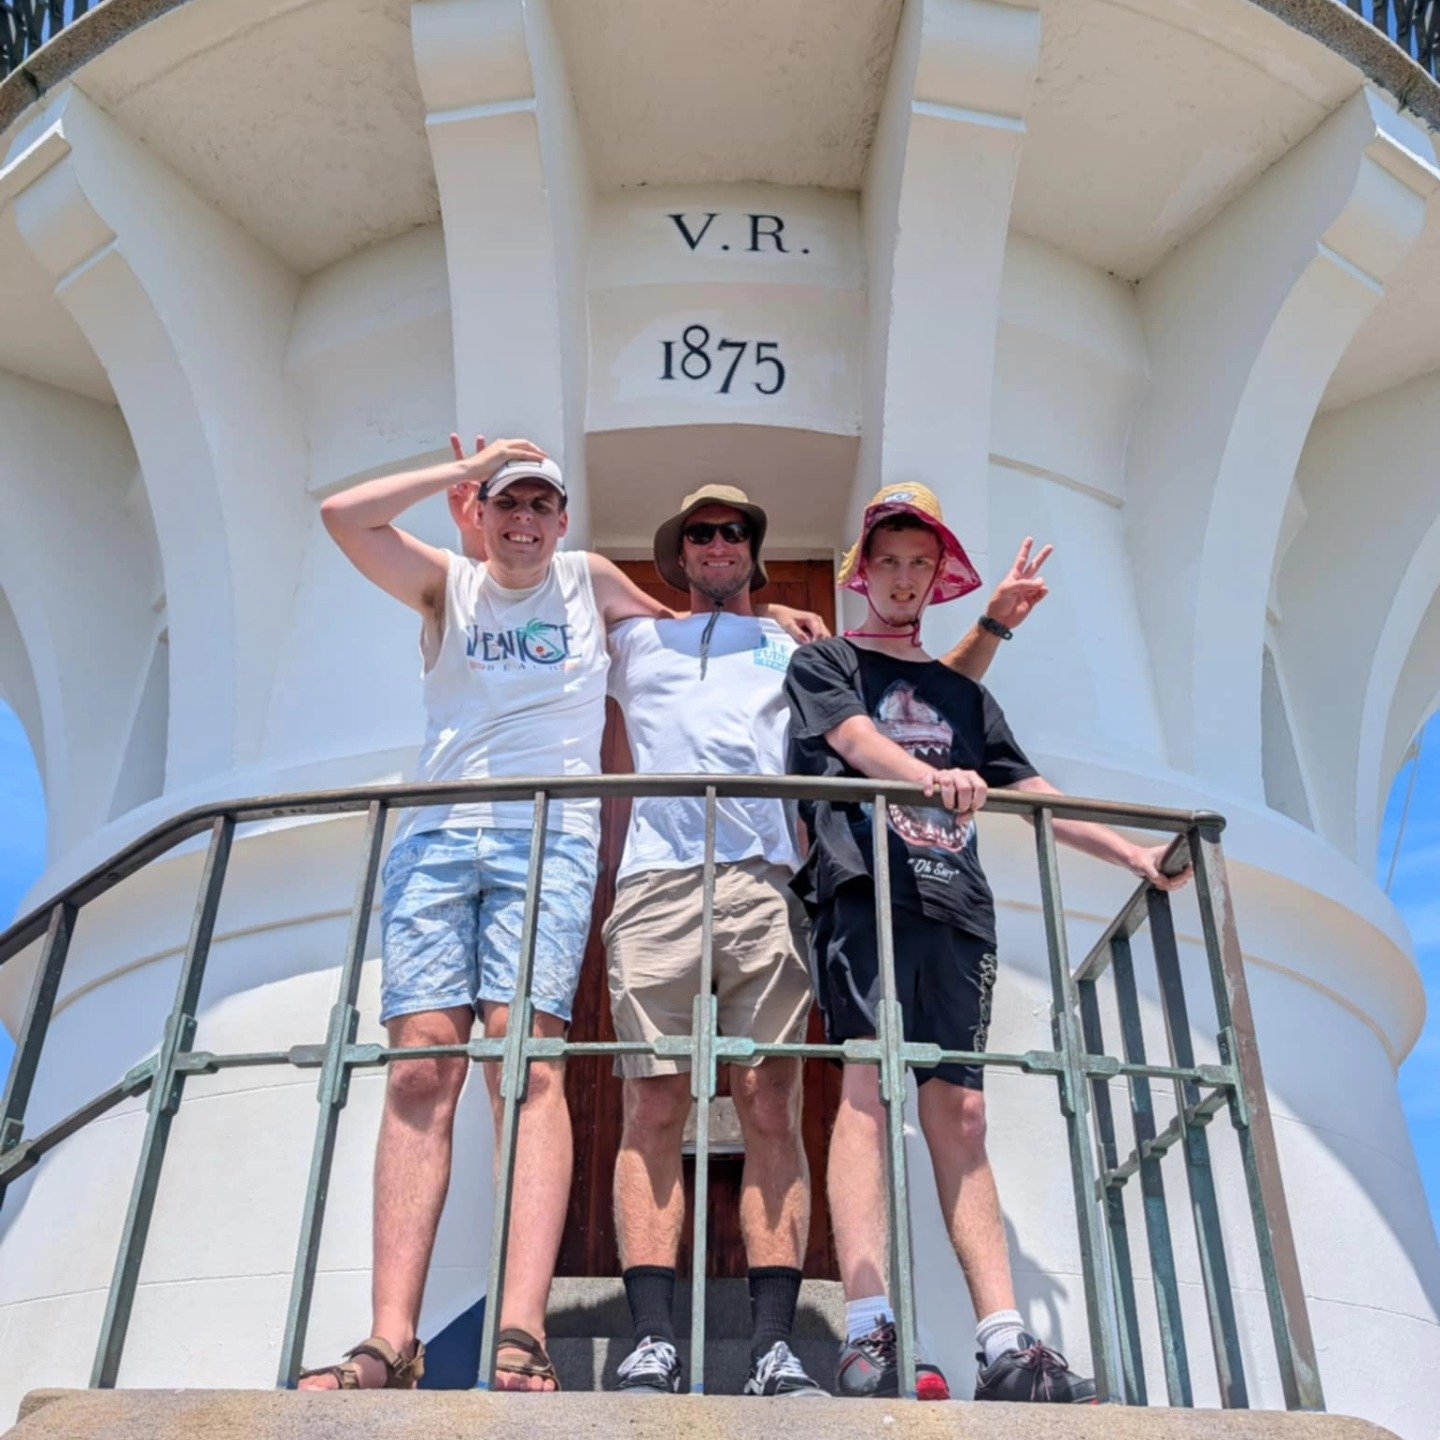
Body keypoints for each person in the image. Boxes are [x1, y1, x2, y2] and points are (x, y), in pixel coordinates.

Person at [298, 436, 822, 1393]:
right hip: (439, 834)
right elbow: (343, 517)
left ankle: (521, 1331)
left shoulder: (589, 582)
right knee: (419, 1067)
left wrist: (767, 613)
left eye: (541, 503)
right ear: (481, 508)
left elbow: (686, 627)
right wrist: (455, 469)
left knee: (529, 1065)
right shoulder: (448, 586)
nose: (525, 520)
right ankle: (389, 1337)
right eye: (508, 502)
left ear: (565, 520)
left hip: (551, 841)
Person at [603, 484, 1053, 1397]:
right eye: (700, 532)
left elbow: (922, 696)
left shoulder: (800, 644)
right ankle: (651, 1336)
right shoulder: (632, 637)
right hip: (651, 882)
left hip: (769, 881)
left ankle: (775, 1345)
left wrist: (994, 628)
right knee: (650, 1106)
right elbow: (566, 583)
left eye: (736, 529)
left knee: (770, 1104)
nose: (718, 542)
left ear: (756, 549)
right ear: (679, 552)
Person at [784, 483, 1191, 1404]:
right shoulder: (827, 662)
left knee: (961, 1115)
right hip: (865, 896)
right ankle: (867, 1328)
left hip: (955, 905)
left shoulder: (964, 695)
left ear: (938, 579)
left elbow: (1028, 788)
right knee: (865, 1084)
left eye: (918, 564)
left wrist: (1131, 853)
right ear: (861, 572)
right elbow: (852, 742)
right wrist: (931, 783)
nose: (901, 577)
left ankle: (1004, 1343)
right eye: (886, 560)